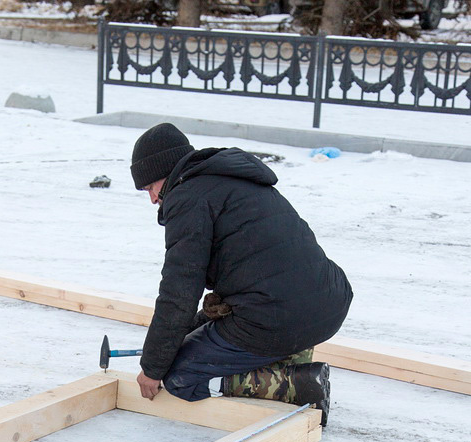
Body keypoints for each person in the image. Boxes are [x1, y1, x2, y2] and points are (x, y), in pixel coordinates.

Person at [129, 123, 353, 425]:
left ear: (165, 174)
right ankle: (290, 361)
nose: (153, 199)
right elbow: (259, 259)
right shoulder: (233, 179)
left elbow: (178, 292)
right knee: (199, 338)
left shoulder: (186, 198)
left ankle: (296, 385)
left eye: (150, 187)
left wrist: (154, 368)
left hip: (280, 318)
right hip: (327, 303)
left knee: (178, 375)